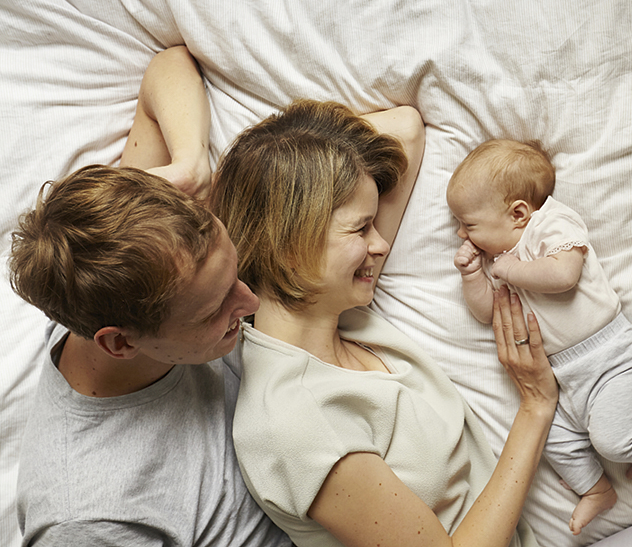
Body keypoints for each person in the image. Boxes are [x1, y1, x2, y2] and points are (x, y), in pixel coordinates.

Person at [208, 98, 558, 547]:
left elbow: (406, 128)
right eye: (361, 229)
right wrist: (535, 407)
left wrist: (271, 165)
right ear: (292, 244)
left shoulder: (336, 310)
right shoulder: (298, 424)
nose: (380, 244)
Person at [6, 47, 292, 546]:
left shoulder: (108, 273)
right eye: (214, 310)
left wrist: (188, 169)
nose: (250, 305)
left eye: (234, 278)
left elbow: (169, 66)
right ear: (118, 343)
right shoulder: (88, 519)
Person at [446, 138, 632, 536]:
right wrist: (473, 276)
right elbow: (486, 314)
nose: (461, 233)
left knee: (612, 442)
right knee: (552, 442)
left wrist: (508, 271)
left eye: (469, 224)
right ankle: (598, 490)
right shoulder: (499, 260)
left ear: (518, 213)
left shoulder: (551, 224)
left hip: (610, 359)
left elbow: (564, 276)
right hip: (559, 379)